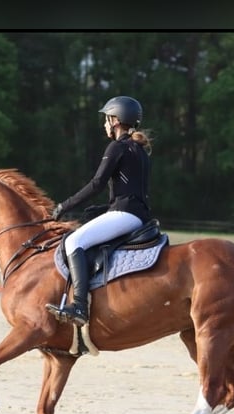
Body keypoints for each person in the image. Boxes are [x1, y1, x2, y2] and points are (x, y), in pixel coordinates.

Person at [46, 95, 153, 327]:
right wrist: (104, 208)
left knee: (73, 242)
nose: (105, 124)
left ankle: (80, 306)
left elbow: (97, 184)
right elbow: (131, 193)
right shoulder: (139, 150)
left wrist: (64, 206)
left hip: (126, 215)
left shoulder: (117, 146)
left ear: (115, 120)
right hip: (138, 216)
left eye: (107, 119)